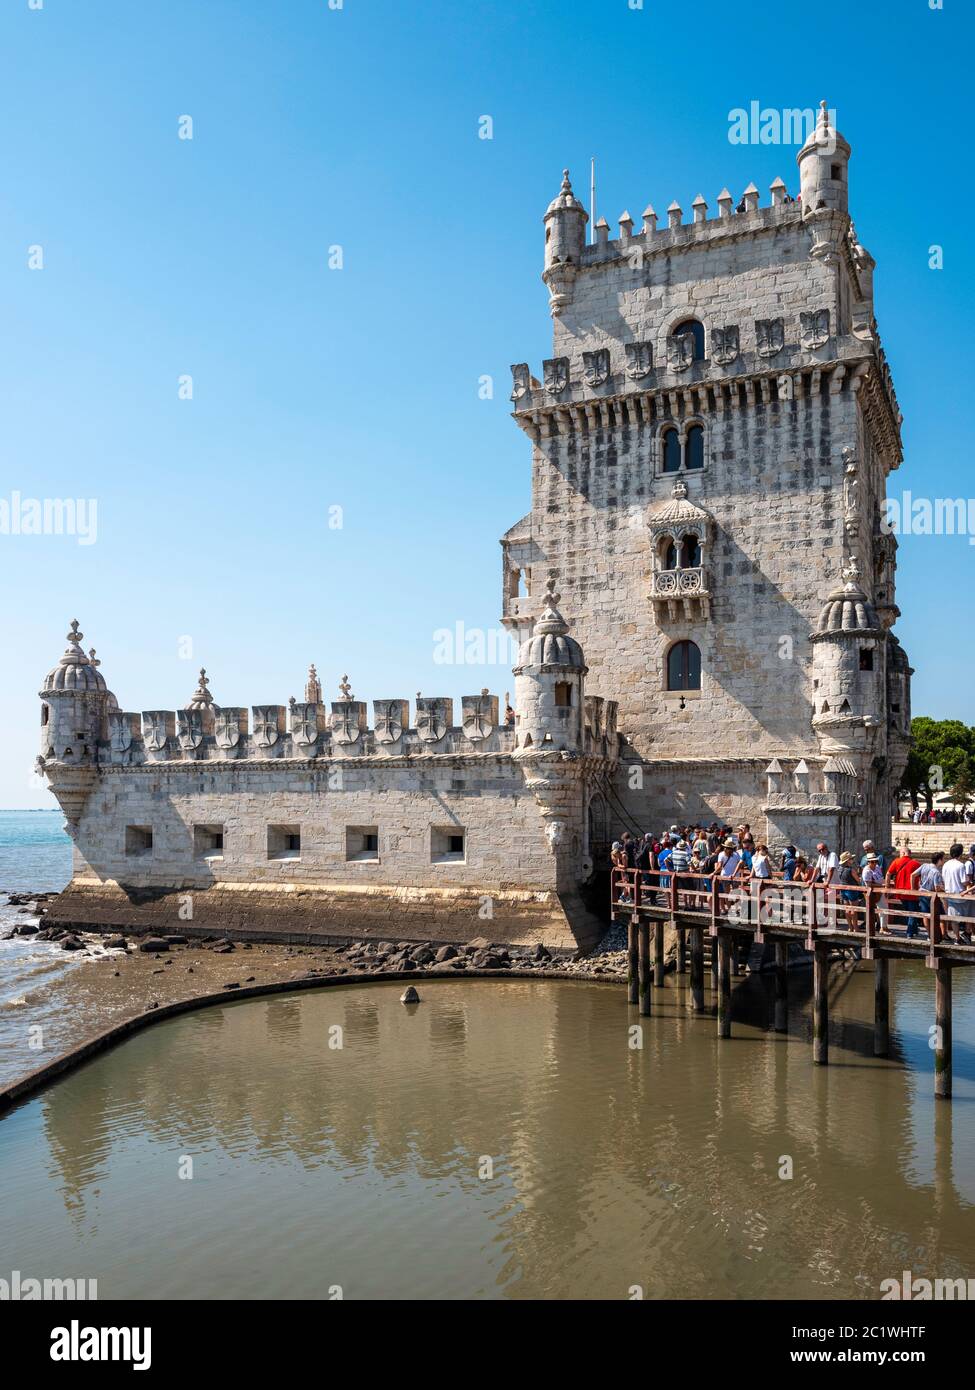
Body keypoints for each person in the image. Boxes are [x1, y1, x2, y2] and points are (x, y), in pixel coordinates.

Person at [885, 846, 921, 937]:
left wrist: (887, 887)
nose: (900, 855)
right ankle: (909, 933)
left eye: (900, 853)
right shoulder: (916, 863)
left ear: (904, 853)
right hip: (913, 893)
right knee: (912, 912)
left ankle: (914, 930)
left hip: (900, 892)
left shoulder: (896, 861)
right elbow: (921, 878)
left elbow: (888, 874)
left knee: (909, 912)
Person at [941, 844, 974, 944]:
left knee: (953, 918)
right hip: (961, 895)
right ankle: (967, 932)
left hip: (949, 895)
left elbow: (943, 879)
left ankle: (957, 938)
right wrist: (970, 884)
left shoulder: (945, 865)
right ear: (960, 853)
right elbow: (964, 881)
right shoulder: (960, 865)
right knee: (971, 912)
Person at [910, 853, 944, 942]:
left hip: (922, 894)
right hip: (931, 896)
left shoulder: (924, 866)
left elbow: (912, 875)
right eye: (942, 859)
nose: (943, 862)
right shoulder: (936, 872)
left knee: (925, 915)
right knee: (940, 915)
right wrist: (944, 890)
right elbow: (936, 888)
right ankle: (941, 935)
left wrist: (913, 889)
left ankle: (929, 935)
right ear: (939, 860)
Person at [836, 851, 863, 931]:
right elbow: (858, 880)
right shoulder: (851, 870)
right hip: (852, 890)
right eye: (851, 859)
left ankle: (850, 927)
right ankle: (856, 927)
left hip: (843, 890)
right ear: (847, 860)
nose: (852, 860)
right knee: (853, 909)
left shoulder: (839, 869)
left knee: (847, 909)